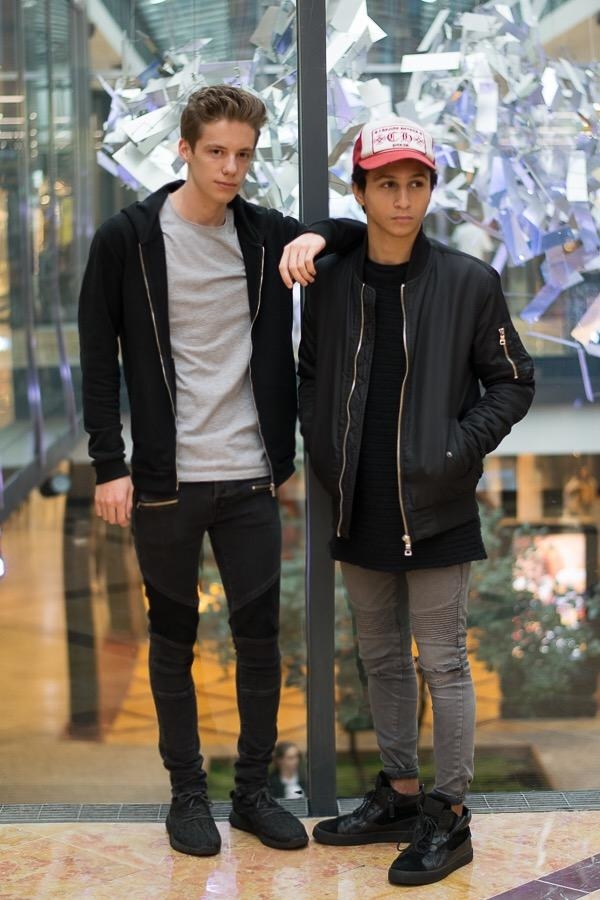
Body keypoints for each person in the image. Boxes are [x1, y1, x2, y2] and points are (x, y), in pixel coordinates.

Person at [78, 85, 362, 858]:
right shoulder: (129, 239)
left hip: (249, 478)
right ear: (184, 150)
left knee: (260, 642)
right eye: (216, 152)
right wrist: (109, 464)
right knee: (173, 642)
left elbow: (350, 231)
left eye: (243, 154)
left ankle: (253, 796)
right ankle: (187, 796)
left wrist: (315, 238)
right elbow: (97, 358)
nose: (231, 167)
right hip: (164, 482)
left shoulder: (264, 234)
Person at [282, 116, 535, 885]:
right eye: (387, 184)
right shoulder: (333, 282)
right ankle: (397, 794)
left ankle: (448, 815)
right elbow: (311, 375)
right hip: (357, 501)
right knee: (382, 657)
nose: (402, 199)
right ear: (360, 192)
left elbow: (513, 382)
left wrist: (456, 448)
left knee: (444, 663)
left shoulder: (468, 282)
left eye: (416, 183)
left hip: (437, 503)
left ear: (430, 191)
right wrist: (324, 451)